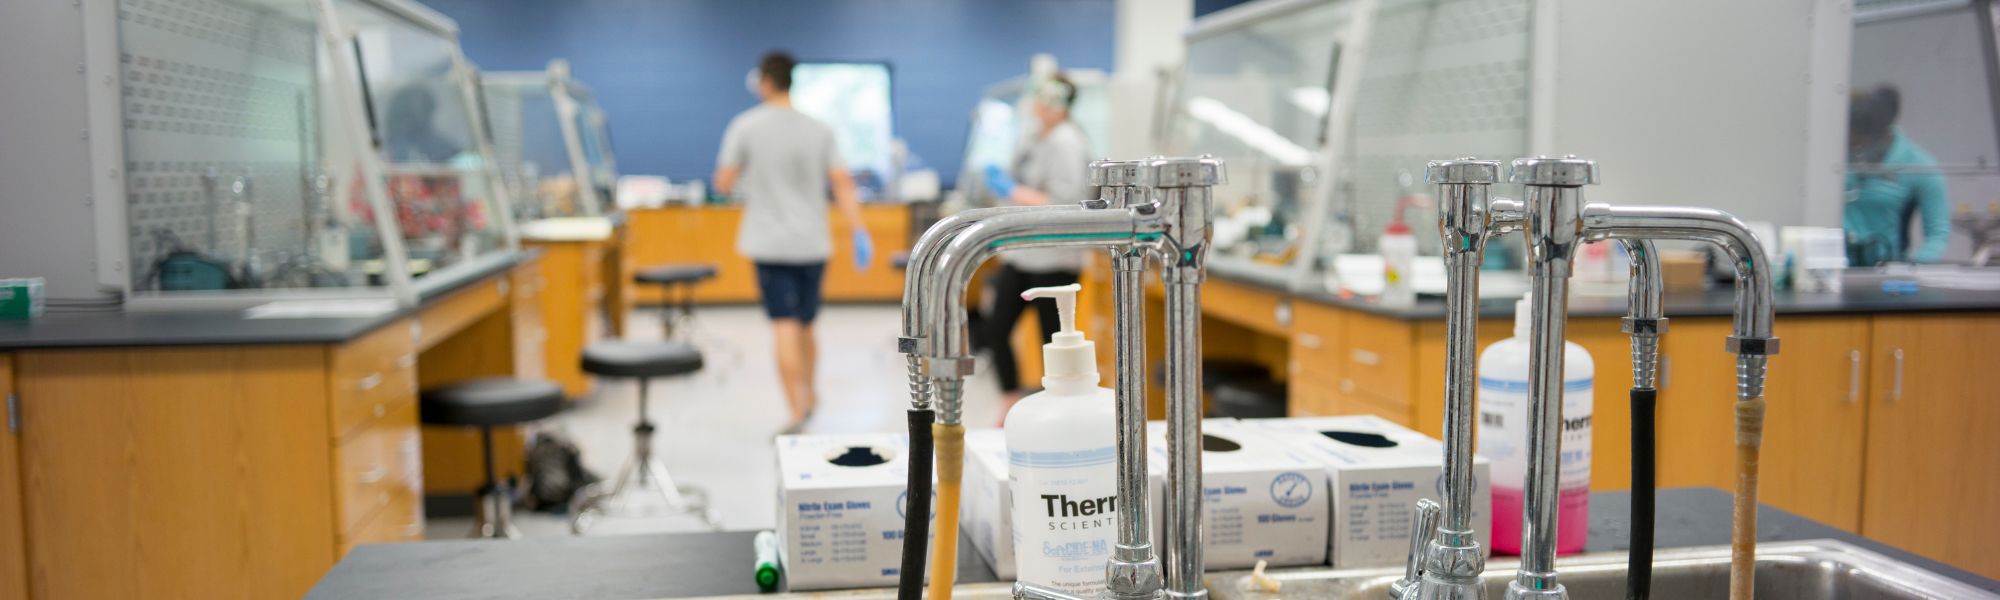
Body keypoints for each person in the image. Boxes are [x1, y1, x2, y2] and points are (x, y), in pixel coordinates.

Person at [714, 51, 872, 434]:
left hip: (770, 243)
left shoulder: (746, 126)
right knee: (805, 323)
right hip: (812, 244)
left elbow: (723, 183)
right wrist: (858, 229)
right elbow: (842, 184)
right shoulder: (820, 129)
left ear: (765, 81)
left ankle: (797, 410)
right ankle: (811, 392)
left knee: (783, 324)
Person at [982, 73, 1091, 418]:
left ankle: (1061, 412)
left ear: (1059, 104)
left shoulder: (1067, 142)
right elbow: (1018, 175)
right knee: (996, 330)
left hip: (1055, 261)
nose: (1037, 105)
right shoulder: (1033, 135)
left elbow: (1066, 202)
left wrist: (1012, 191)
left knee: (1054, 343)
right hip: (1021, 255)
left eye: (1044, 99)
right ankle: (1009, 402)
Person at [1845, 85, 1949, 266]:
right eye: (1852, 146)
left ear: (1882, 134)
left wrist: (1910, 272)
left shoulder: (1919, 166)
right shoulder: (1837, 158)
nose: (1855, 151)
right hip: (1836, 272)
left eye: (1860, 145)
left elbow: (1937, 235)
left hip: (1888, 275)